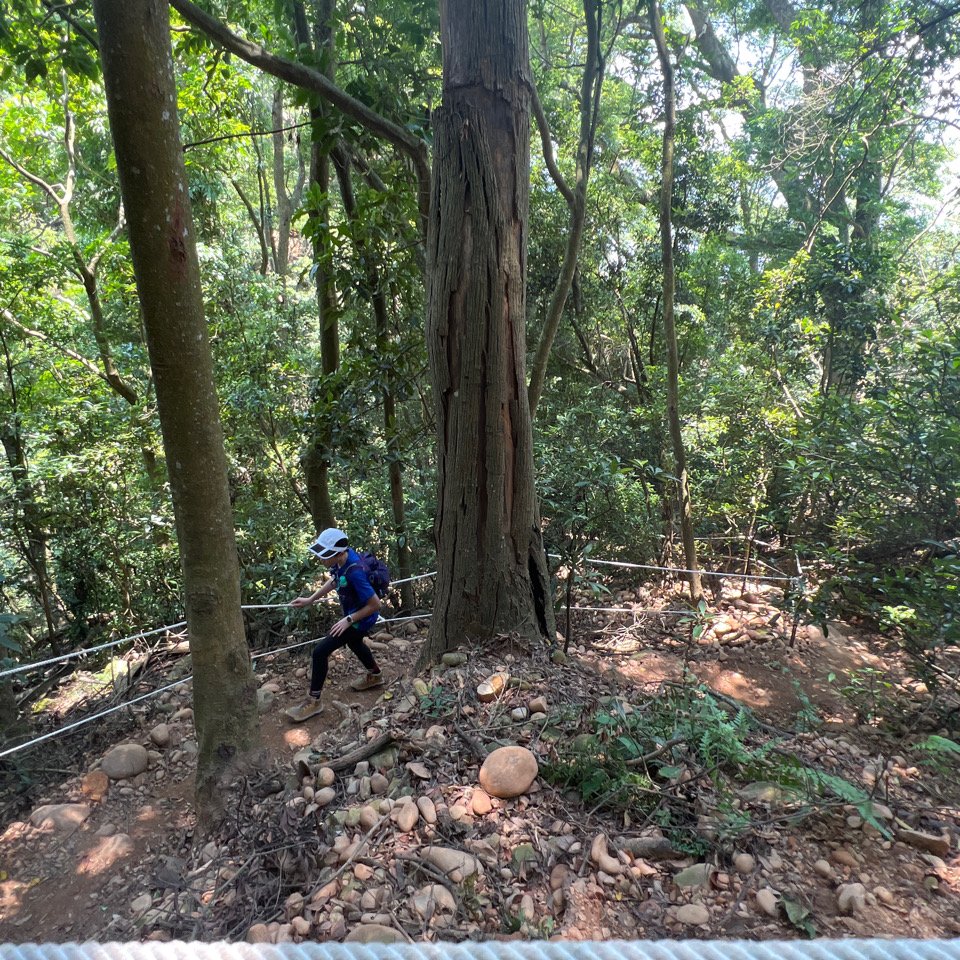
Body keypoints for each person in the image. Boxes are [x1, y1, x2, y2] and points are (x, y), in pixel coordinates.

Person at [284, 527, 384, 722]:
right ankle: (375, 675)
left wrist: (348, 621)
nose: (321, 559)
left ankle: (314, 701)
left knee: (320, 652)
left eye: (324, 555)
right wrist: (310, 599)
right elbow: (335, 581)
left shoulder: (355, 572)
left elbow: (375, 604)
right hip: (354, 617)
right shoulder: (343, 560)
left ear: (337, 554)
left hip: (359, 619)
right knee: (355, 644)